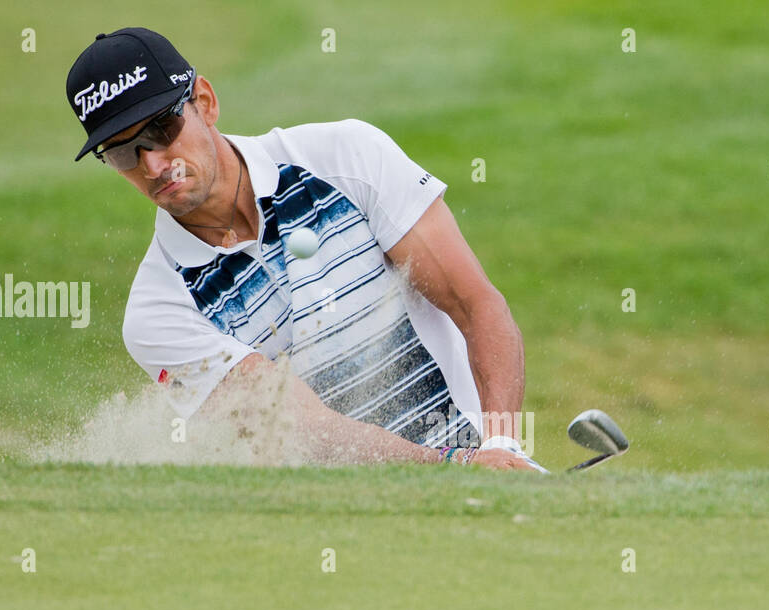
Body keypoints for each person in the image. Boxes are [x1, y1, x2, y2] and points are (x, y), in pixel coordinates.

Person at [66, 27, 543, 470]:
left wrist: (499, 444)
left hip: (481, 468)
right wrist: (452, 467)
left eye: (161, 131)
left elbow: (475, 305)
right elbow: (302, 427)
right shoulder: (159, 311)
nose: (152, 165)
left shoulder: (346, 157)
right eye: (124, 152)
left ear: (205, 102)